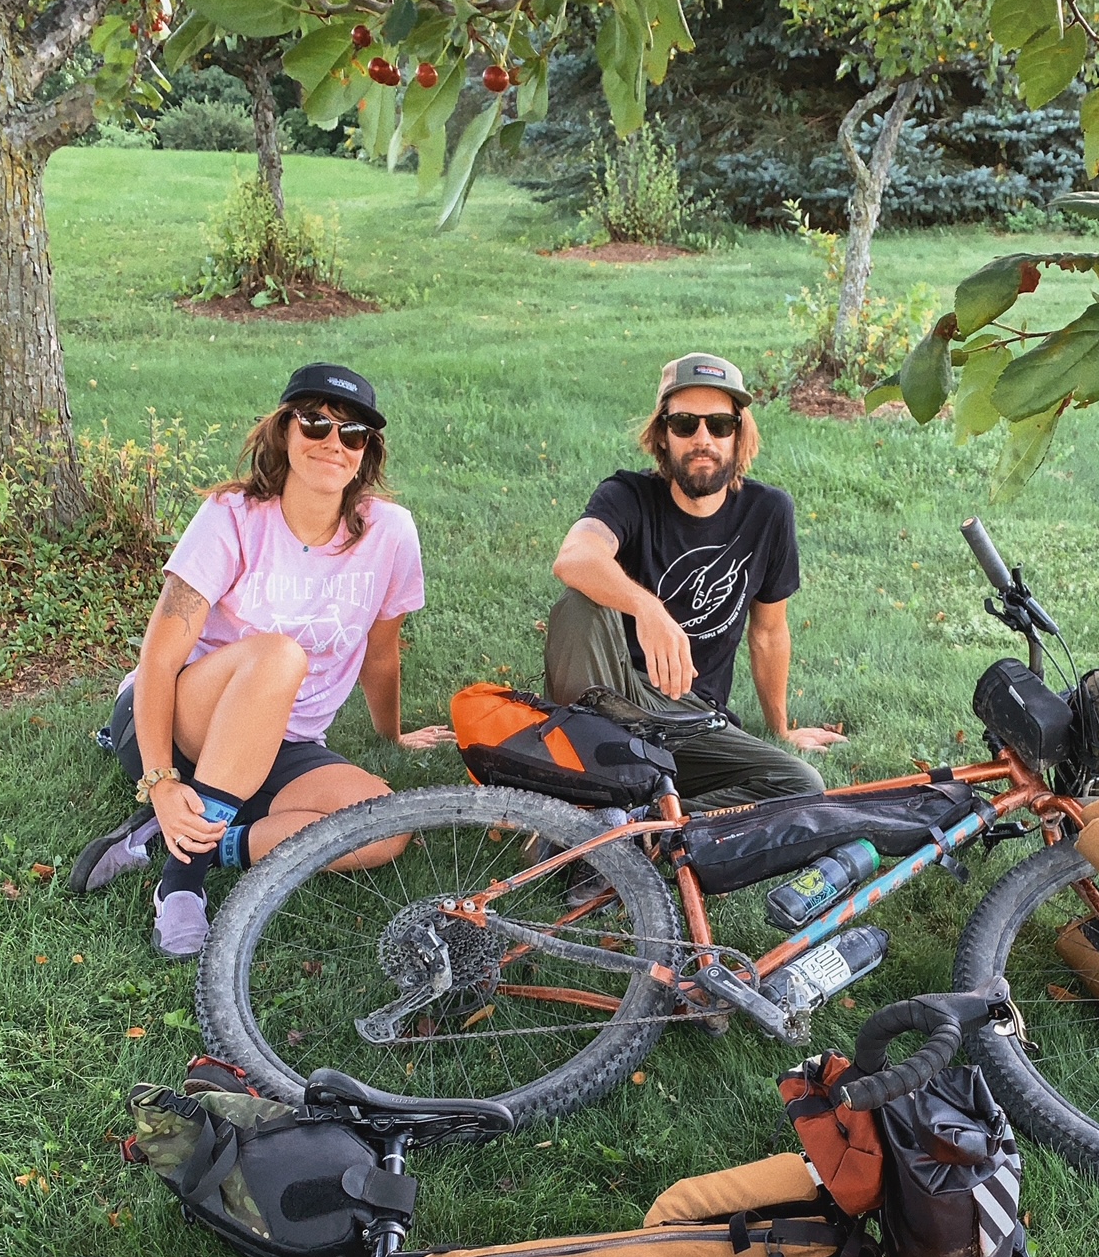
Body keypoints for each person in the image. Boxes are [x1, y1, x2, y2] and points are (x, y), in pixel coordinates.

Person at [69, 362, 451, 957]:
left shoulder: (390, 533)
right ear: (284, 430)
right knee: (278, 656)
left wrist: (392, 734)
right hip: (180, 723)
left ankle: (177, 838)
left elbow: (381, 653)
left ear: (366, 452)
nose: (333, 442)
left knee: (383, 828)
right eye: (316, 423)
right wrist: (162, 781)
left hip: (283, 744)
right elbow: (159, 660)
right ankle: (182, 882)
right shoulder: (233, 517)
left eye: (353, 433)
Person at [546, 352, 845, 811]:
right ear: (662, 435)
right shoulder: (628, 496)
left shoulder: (768, 512)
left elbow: (768, 632)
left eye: (720, 425)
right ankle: (585, 776)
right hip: (610, 701)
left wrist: (781, 728)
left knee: (800, 783)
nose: (703, 439)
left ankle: (638, 824)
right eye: (685, 424)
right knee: (579, 605)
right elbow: (574, 557)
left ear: (739, 434)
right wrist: (648, 609)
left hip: (691, 719)